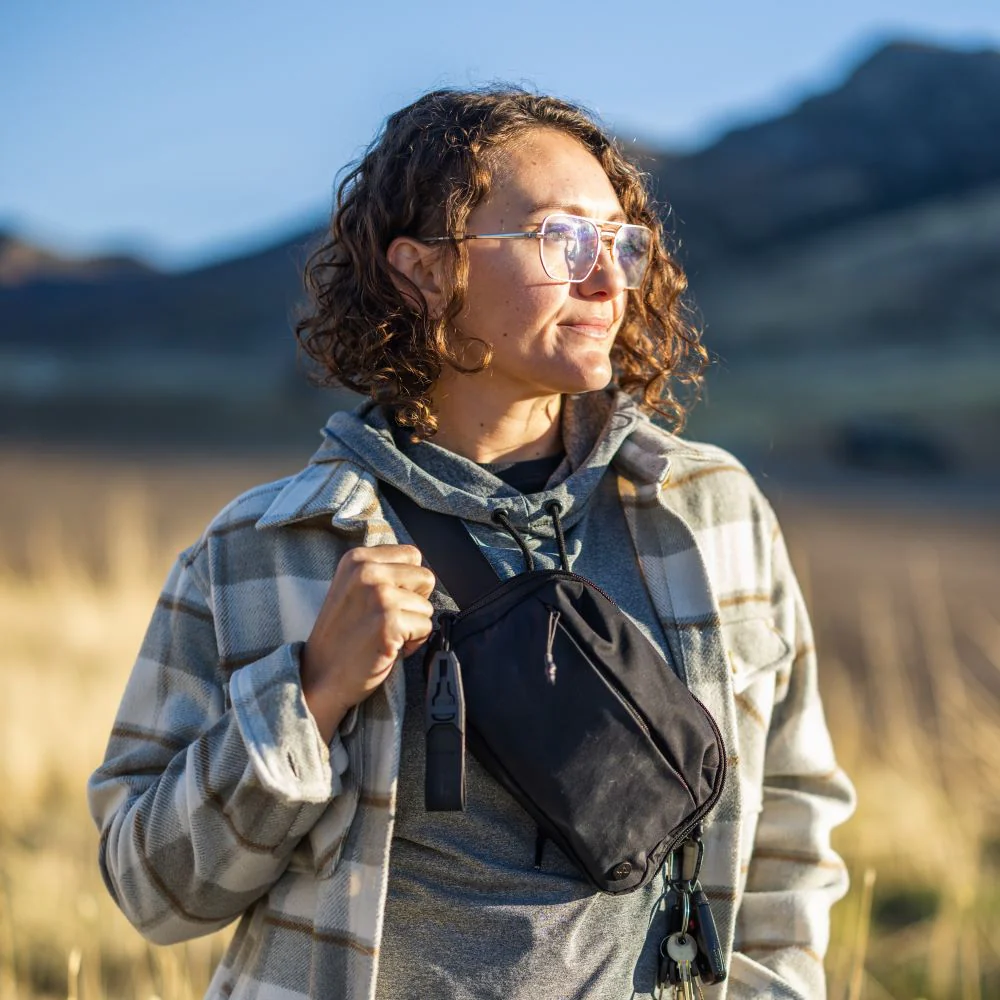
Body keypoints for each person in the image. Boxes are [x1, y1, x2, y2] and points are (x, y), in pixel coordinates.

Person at [89, 87, 855, 999]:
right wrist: (311, 694)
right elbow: (154, 893)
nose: (607, 281)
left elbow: (793, 822)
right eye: (562, 239)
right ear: (422, 271)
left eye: (621, 243)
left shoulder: (709, 510)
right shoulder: (260, 553)